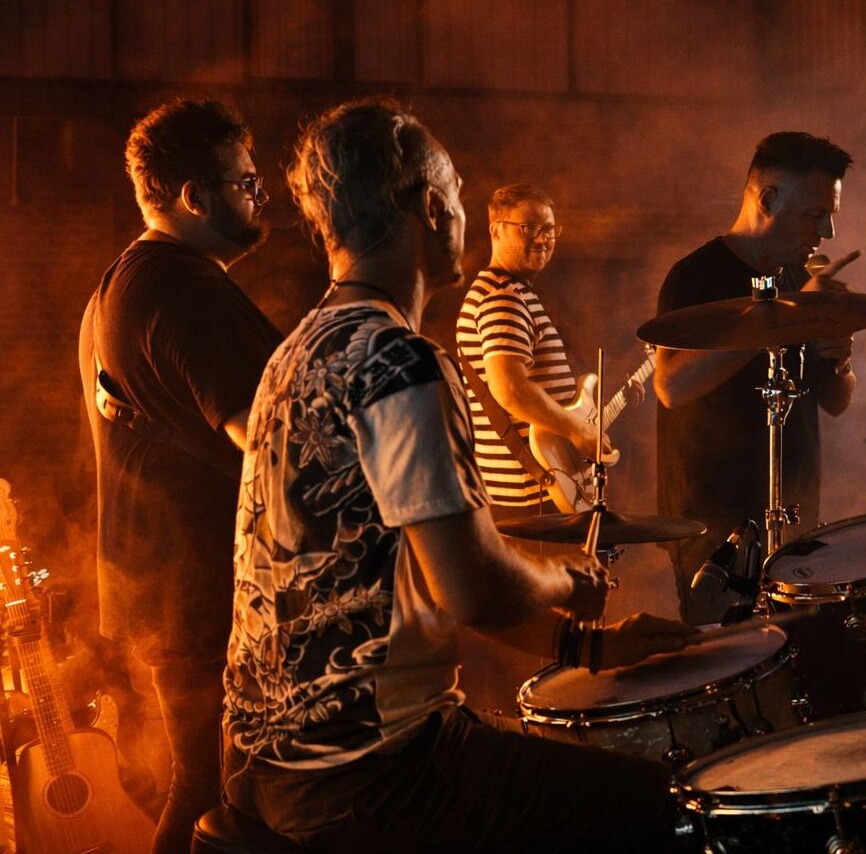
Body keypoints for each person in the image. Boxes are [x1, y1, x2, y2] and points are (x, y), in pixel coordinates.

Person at [222, 98, 694, 852]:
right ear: (433, 208)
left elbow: (417, 576)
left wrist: (593, 649)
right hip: (374, 768)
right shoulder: (400, 361)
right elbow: (474, 587)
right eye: (460, 196)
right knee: (658, 805)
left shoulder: (295, 354)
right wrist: (566, 579)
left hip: (272, 762)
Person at [79, 99, 282, 853]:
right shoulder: (183, 288)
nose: (260, 196)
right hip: (199, 593)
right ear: (195, 197)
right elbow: (270, 442)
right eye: (246, 182)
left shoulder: (120, 283)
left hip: (167, 591)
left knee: (209, 787)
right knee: (214, 792)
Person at [654, 131, 858, 624]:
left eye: (830, 215)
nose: (828, 232)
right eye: (815, 215)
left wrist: (839, 358)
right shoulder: (697, 276)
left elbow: (837, 402)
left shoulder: (798, 278)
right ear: (767, 200)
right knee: (730, 660)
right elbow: (671, 386)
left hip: (794, 513)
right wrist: (783, 318)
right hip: (716, 526)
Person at [455, 183, 618, 519]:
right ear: (496, 230)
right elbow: (510, 389)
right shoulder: (503, 297)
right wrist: (576, 430)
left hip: (537, 493)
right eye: (529, 228)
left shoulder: (512, 292)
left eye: (549, 229)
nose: (543, 239)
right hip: (530, 499)